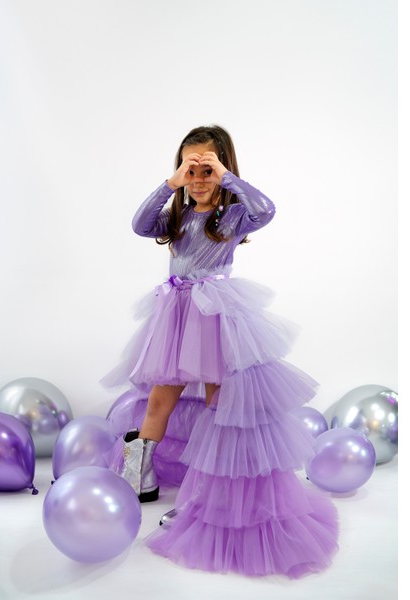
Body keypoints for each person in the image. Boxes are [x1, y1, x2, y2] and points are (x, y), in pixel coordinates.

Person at [102, 124, 339, 577]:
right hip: (175, 316)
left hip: (214, 317)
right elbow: (139, 225)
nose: (197, 177)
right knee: (159, 398)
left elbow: (266, 210)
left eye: (206, 168)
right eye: (189, 168)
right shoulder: (174, 217)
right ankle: (137, 478)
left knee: (220, 403)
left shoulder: (231, 217)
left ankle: (209, 496)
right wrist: (169, 184)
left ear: (223, 167)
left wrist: (226, 177)